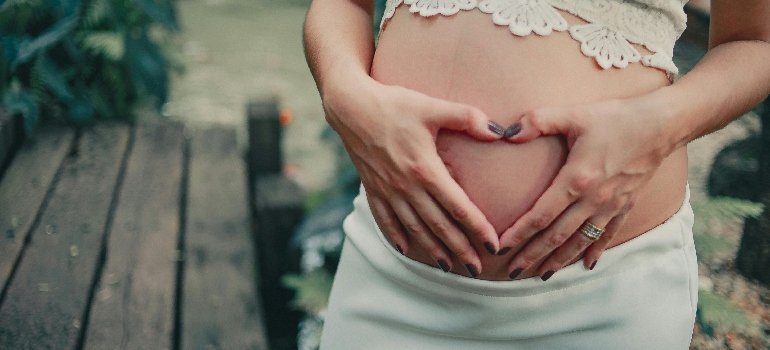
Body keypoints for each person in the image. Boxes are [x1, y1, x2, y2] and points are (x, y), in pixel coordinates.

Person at [302, 0, 770, 348]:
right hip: (390, 275)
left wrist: (657, 127)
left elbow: (754, 44)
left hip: (602, 291)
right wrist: (343, 94)